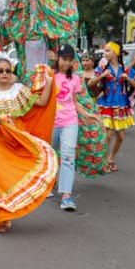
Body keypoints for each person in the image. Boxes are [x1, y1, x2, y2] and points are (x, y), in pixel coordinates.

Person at [0, 52, 56, 233]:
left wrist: (49, 82)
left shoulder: (19, 90)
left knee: (17, 173)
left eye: (7, 70)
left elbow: (42, 102)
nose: (4, 73)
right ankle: (1, 217)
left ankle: (8, 211)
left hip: (18, 136)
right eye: (0, 71)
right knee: (1, 176)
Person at [51, 44, 96, 211]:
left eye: (70, 60)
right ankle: (47, 185)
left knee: (68, 157)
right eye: (64, 59)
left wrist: (86, 114)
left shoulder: (75, 79)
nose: (67, 63)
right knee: (48, 154)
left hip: (70, 121)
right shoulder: (50, 76)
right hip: (51, 122)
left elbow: (75, 102)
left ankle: (66, 196)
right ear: (58, 58)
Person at [88, 41, 135, 172]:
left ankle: (111, 158)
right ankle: (104, 161)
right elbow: (90, 83)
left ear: (116, 52)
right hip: (106, 102)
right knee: (108, 134)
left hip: (121, 104)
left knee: (121, 136)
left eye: (108, 50)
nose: (106, 53)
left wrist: (127, 78)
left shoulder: (125, 68)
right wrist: (102, 76)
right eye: (105, 51)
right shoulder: (102, 68)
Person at [75, 51, 108, 178]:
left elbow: (105, 88)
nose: (84, 63)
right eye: (83, 60)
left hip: (96, 105)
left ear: (93, 62)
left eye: (87, 60)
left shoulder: (98, 74)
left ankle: (101, 161)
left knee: (101, 132)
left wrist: (99, 100)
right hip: (81, 106)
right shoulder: (78, 75)